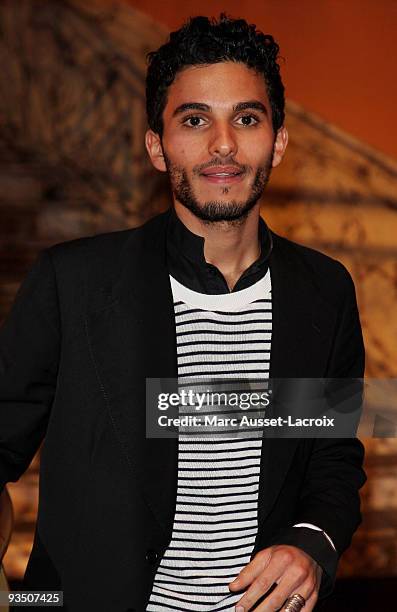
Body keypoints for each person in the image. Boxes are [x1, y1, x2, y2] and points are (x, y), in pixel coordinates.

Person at [0, 13, 366, 612]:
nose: (223, 144)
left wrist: (312, 544)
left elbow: (332, 456)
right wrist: (28, 602)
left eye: (246, 119)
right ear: (155, 145)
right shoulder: (73, 282)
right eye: (194, 120)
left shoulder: (324, 290)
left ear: (278, 140)